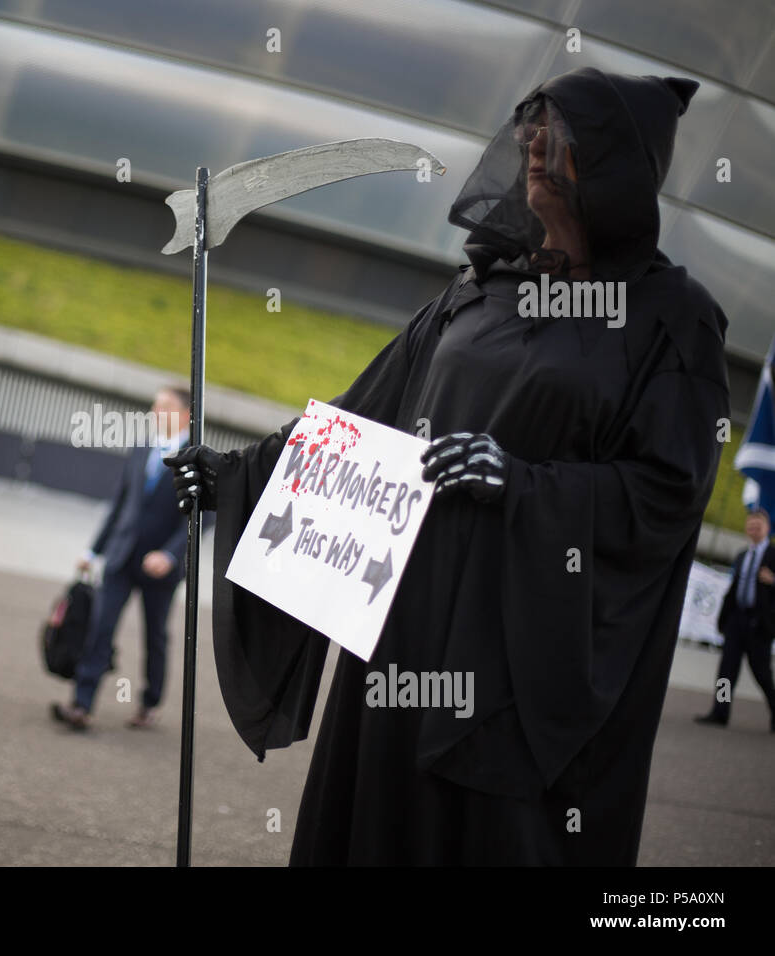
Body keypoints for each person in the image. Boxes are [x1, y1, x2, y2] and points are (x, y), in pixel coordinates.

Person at [168, 67, 730, 865]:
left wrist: (526, 484)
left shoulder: (671, 320)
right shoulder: (478, 291)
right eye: (530, 128)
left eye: (561, 135)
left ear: (615, 162)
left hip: (518, 663)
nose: (534, 146)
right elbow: (361, 420)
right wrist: (232, 478)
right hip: (403, 638)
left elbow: (669, 494)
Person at [51, 387, 192, 730]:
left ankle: (149, 704)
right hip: (121, 557)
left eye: (166, 407)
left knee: (155, 636)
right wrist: (93, 550)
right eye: (155, 406)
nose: (157, 412)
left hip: (161, 568)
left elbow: (199, 517)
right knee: (100, 628)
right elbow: (120, 504)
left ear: (187, 414)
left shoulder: (195, 456)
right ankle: (81, 705)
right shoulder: (142, 448)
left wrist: (171, 555)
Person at [696, 507, 775, 730]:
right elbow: (733, 588)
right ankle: (720, 712)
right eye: (750, 525)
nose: (753, 528)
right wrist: (724, 618)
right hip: (736, 621)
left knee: (762, 673)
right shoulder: (742, 556)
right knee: (726, 671)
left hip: (759, 624)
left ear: (767, 529)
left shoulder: (773, 555)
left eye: (758, 525)